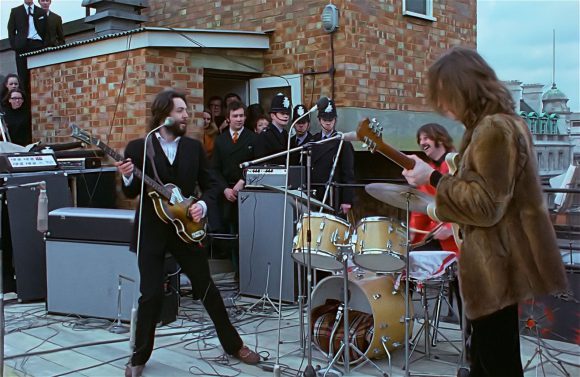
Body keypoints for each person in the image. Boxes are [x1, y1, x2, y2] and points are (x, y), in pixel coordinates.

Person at [401, 47, 567, 377]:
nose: (443, 106)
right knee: (489, 357)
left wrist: (431, 177)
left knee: (494, 361)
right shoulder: (498, 126)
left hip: (497, 267)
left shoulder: (494, 130)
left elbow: (486, 205)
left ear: (465, 90)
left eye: (445, 96)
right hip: (499, 265)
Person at [116, 89, 260, 377]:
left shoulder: (194, 148)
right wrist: (128, 174)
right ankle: (139, 355)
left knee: (206, 287)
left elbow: (211, 184)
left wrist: (203, 206)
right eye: (180, 110)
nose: (186, 116)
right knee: (150, 295)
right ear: (163, 114)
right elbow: (131, 192)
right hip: (152, 230)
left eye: (185, 111)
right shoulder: (139, 147)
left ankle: (234, 345)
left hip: (186, 230)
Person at [211, 101, 257, 276]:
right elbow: (213, 169)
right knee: (230, 234)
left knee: (246, 235)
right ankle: (236, 271)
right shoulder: (220, 140)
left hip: (246, 193)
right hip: (227, 194)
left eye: (241, 115)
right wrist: (225, 189)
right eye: (235, 116)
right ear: (228, 118)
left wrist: (242, 181)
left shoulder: (253, 138)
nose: (239, 119)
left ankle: (246, 275)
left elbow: (258, 165)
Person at [310, 99, 354, 215]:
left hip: (333, 195)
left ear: (335, 120)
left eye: (331, 119)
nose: (328, 123)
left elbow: (348, 173)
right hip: (315, 194)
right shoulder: (313, 141)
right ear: (319, 120)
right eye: (325, 119)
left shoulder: (343, 142)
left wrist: (347, 200)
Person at [7, 0, 47, 94]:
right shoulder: (15, 11)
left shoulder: (41, 11)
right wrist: (15, 45)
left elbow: (46, 30)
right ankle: (26, 104)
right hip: (21, 46)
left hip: (37, 44)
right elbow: (11, 30)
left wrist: (43, 44)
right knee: (23, 77)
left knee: (39, 74)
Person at [254, 93, 291, 165]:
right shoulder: (265, 135)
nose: (286, 116)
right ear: (273, 115)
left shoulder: (285, 134)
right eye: (282, 113)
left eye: (287, 113)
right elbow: (260, 161)